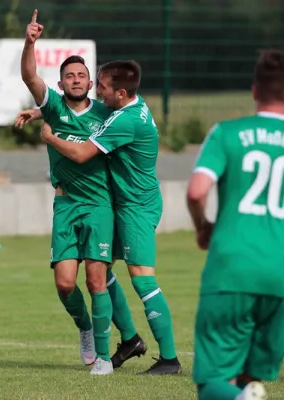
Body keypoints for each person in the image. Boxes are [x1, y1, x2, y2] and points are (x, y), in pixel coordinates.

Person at [21, 9, 146, 375]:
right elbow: (30, 75)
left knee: (96, 280)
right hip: (65, 204)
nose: (75, 80)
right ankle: (86, 329)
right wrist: (30, 43)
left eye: (81, 75)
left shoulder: (106, 115)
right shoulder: (55, 108)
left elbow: (134, 117)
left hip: (98, 206)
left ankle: (104, 359)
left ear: (91, 84)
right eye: (69, 76)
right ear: (60, 85)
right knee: (63, 284)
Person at [40, 60, 181, 375]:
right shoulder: (132, 105)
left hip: (135, 207)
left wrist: (49, 137)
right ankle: (130, 339)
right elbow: (87, 116)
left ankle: (170, 359)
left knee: (143, 279)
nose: (97, 91)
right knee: (101, 273)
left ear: (120, 92)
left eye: (102, 87)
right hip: (120, 203)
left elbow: (79, 153)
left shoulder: (125, 121)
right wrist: (41, 111)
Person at [186, 49, 284, 400]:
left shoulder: (227, 133)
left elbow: (197, 191)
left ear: (255, 90)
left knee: (213, 381)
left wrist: (202, 227)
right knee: (248, 378)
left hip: (232, 269)